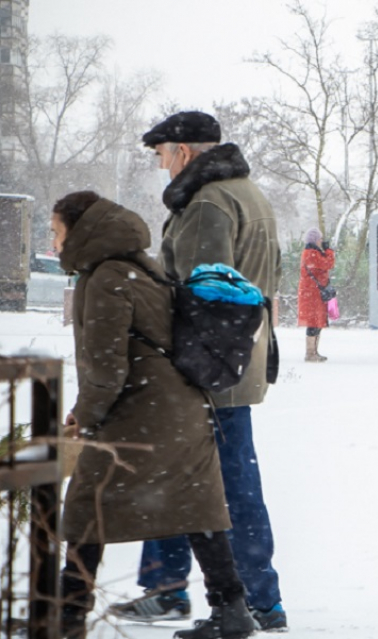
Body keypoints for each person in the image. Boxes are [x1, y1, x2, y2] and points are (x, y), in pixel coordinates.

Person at [108, 112, 287, 632]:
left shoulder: (208, 203)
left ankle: (255, 599)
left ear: (184, 152)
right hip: (233, 361)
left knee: (223, 485)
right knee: (178, 474)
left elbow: (201, 297)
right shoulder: (245, 192)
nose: (162, 166)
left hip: (208, 367)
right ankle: (168, 587)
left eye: (163, 155)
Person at [53, 191, 254, 639]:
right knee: (196, 506)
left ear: (80, 229)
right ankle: (232, 607)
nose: (54, 242)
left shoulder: (106, 277)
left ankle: (66, 615)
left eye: (56, 231)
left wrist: (83, 418)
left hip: (142, 411)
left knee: (88, 505)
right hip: (181, 408)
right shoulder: (142, 267)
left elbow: (106, 370)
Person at [297, 227, 335, 362]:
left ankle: (314, 352)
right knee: (313, 322)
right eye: (320, 239)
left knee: (317, 322)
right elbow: (328, 264)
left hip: (314, 293)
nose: (321, 241)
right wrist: (329, 251)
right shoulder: (311, 253)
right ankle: (310, 353)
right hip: (312, 294)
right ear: (315, 240)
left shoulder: (313, 252)